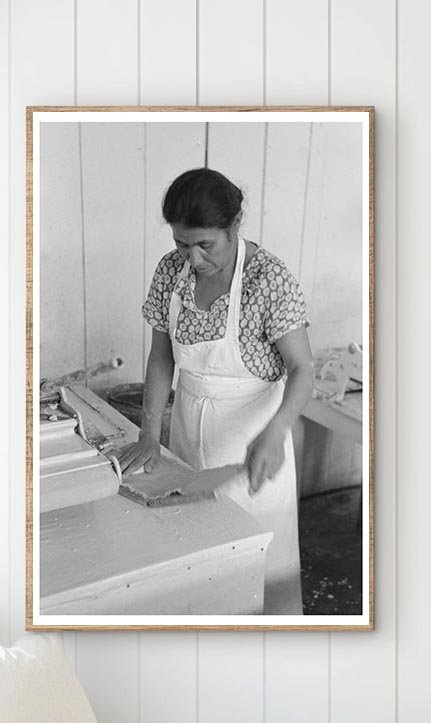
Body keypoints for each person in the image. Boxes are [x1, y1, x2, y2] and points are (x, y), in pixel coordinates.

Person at [119, 167, 314, 615]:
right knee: (194, 566)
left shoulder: (268, 279)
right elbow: (162, 356)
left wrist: (276, 431)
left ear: (234, 225)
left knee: (256, 573)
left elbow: (303, 368)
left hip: (253, 446)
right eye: (182, 244)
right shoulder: (172, 272)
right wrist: (150, 432)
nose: (194, 259)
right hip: (187, 435)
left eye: (206, 244)